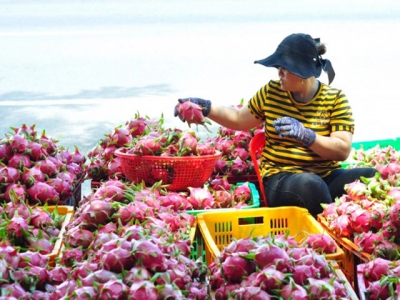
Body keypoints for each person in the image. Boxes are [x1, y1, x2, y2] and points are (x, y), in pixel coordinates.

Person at [174, 33, 377, 217]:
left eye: (284, 68)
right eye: (278, 67)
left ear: (304, 73)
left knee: (371, 177)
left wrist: (307, 136)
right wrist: (206, 107)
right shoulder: (271, 92)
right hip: (281, 178)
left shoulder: (335, 99)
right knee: (310, 185)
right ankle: (326, 233)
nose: (278, 73)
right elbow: (238, 118)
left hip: (326, 176)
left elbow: (342, 150)